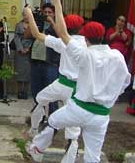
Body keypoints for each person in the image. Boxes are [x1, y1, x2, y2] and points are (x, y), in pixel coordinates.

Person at [27, 0, 130, 163]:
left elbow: (62, 33)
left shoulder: (83, 53)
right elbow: (125, 81)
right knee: (92, 156)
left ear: (86, 35)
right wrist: (111, 94)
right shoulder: (117, 56)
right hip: (102, 114)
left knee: (53, 120)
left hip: (79, 106)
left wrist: (57, 3)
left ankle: (37, 146)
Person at [28, 13, 85, 163]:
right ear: (81, 28)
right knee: (73, 132)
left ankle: (34, 131)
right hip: (77, 90)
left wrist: (29, 15)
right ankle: (69, 159)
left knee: (40, 99)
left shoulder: (64, 43)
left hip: (62, 84)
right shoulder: (86, 45)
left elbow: (36, 34)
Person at [30, 5, 60, 112]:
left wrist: (52, 22)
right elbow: (28, 35)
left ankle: (53, 119)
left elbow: (61, 35)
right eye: (45, 12)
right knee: (36, 91)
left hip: (50, 63)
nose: (47, 15)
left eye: (49, 12)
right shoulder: (39, 24)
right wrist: (32, 19)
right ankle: (40, 115)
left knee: (52, 93)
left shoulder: (58, 26)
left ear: (54, 14)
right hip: (36, 61)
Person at [14, 10, 33, 99]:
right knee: (19, 72)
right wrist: (21, 49)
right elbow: (16, 38)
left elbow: (35, 38)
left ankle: (25, 92)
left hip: (29, 52)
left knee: (27, 73)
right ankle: (19, 92)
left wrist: (29, 48)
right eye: (24, 15)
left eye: (28, 15)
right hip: (20, 53)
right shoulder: (18, 25)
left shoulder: (34, 25)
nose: (26, 17)